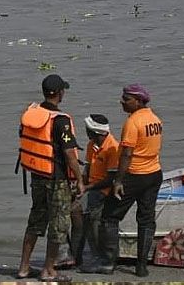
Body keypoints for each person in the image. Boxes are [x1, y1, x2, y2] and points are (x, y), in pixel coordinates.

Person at [16, 74, 84, 282]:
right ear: (60, 93)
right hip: (57, 180)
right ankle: (49, 270)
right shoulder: (60, 121)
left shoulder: (32, 114)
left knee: (35, 221)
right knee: (59, 225)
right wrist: (80, 179)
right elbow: (69, 154)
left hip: (37, 176)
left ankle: (24, 268)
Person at [89, 84, 162, 277]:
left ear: (138, 101)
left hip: (134, 175)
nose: (122, 101)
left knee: (109, 217)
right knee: (146, 220)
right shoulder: (155, 119)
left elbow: (127, 154)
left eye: (126, 98)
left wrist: (118, 181)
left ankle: (107, 263)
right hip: (154, 174)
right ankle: (141, 266)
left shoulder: (132, 123)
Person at [74, 113, 119, 270]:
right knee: (76, 211)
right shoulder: (91, 145)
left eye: (88, 130)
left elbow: (111, 179)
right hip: (92, 188)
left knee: (92, 221)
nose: (86, 132)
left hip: (104, 191)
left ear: (94, 131)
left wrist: (87, 188)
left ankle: (99, 258)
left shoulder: (112, 147)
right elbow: (88, 169)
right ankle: (78, 256)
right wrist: (80, 184)